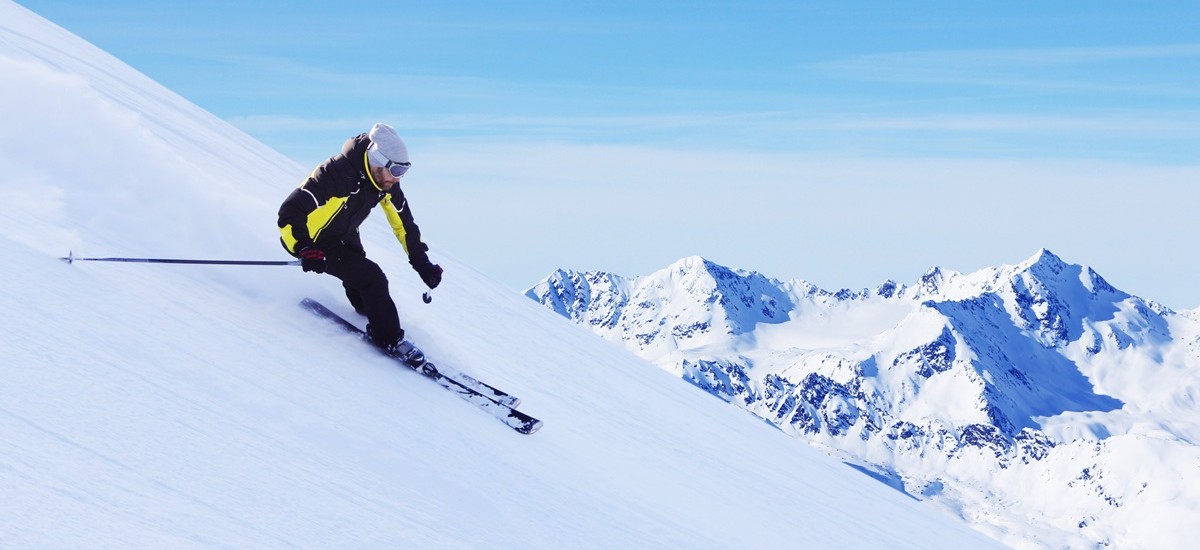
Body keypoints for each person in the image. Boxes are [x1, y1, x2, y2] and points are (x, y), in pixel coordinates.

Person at [277, 123, 442, 356]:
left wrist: (421, 263)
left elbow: (404, 225)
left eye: (404, 172)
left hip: (344, 234)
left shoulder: (384, 183)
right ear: (378, 161)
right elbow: (290, 211)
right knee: (372, 278)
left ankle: (370, 312)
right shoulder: (336, 174)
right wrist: (304, 248)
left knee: (362, 286)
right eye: (396, 171)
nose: (398, 179)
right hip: (312, 241)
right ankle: (389, 339)